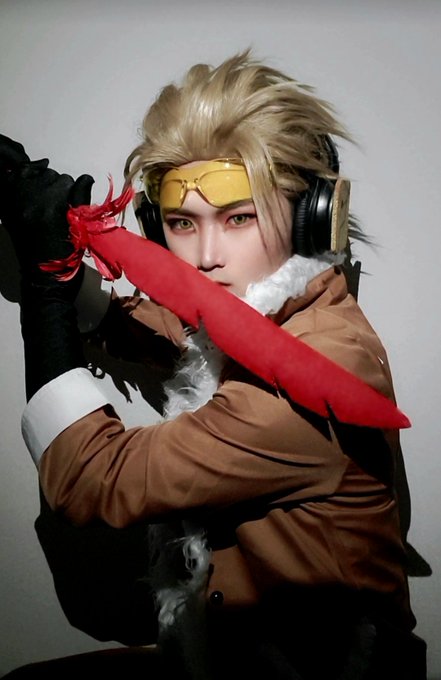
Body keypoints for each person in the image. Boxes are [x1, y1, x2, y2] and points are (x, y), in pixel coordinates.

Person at [0, 52, 426, 679]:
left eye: (239, 218)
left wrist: (46, 288)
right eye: (180, 223)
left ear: (311, 218)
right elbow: (181, 336)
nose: (204, 256)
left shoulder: (311, 373)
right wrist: (68, 258)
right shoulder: (279, 311)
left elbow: (91, 479)